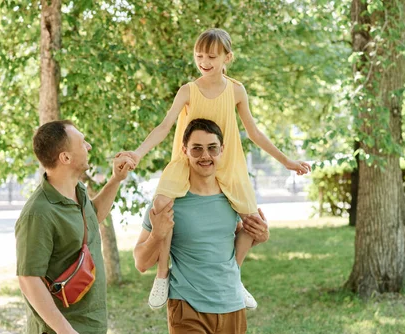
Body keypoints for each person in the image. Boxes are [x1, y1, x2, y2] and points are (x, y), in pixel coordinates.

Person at [117, 28, 311, 310]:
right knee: (161, 205)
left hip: (226, 161)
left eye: (211, 56)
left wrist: (288, 162)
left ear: (226, 58)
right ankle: (162, 275)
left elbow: (254, 133)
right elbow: (164, 126)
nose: (204, 61)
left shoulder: (236, 90)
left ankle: (235, 276)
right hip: (188, 161)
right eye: (199, 56)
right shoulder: (188, 91)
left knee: (253, 221)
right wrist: (137, 152)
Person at [134, 119, 269, 334]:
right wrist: (157, 234)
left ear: (222, 151)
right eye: (196, 149)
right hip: (188, 308)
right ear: (184, 151)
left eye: (211, 148)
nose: (204, 156)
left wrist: (260, 234)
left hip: (232, 309)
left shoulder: (234, 196)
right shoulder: (169, 200)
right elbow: (140, 261)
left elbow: (243, 236)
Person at [15, 120, 134, 334]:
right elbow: (28, 279)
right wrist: (65, 332)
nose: (89, 145)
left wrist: (116, 179)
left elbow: (93, 216)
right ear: (65, 157)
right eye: (82, 142)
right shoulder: (39, 213)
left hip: (92, 328)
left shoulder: (77, 191)